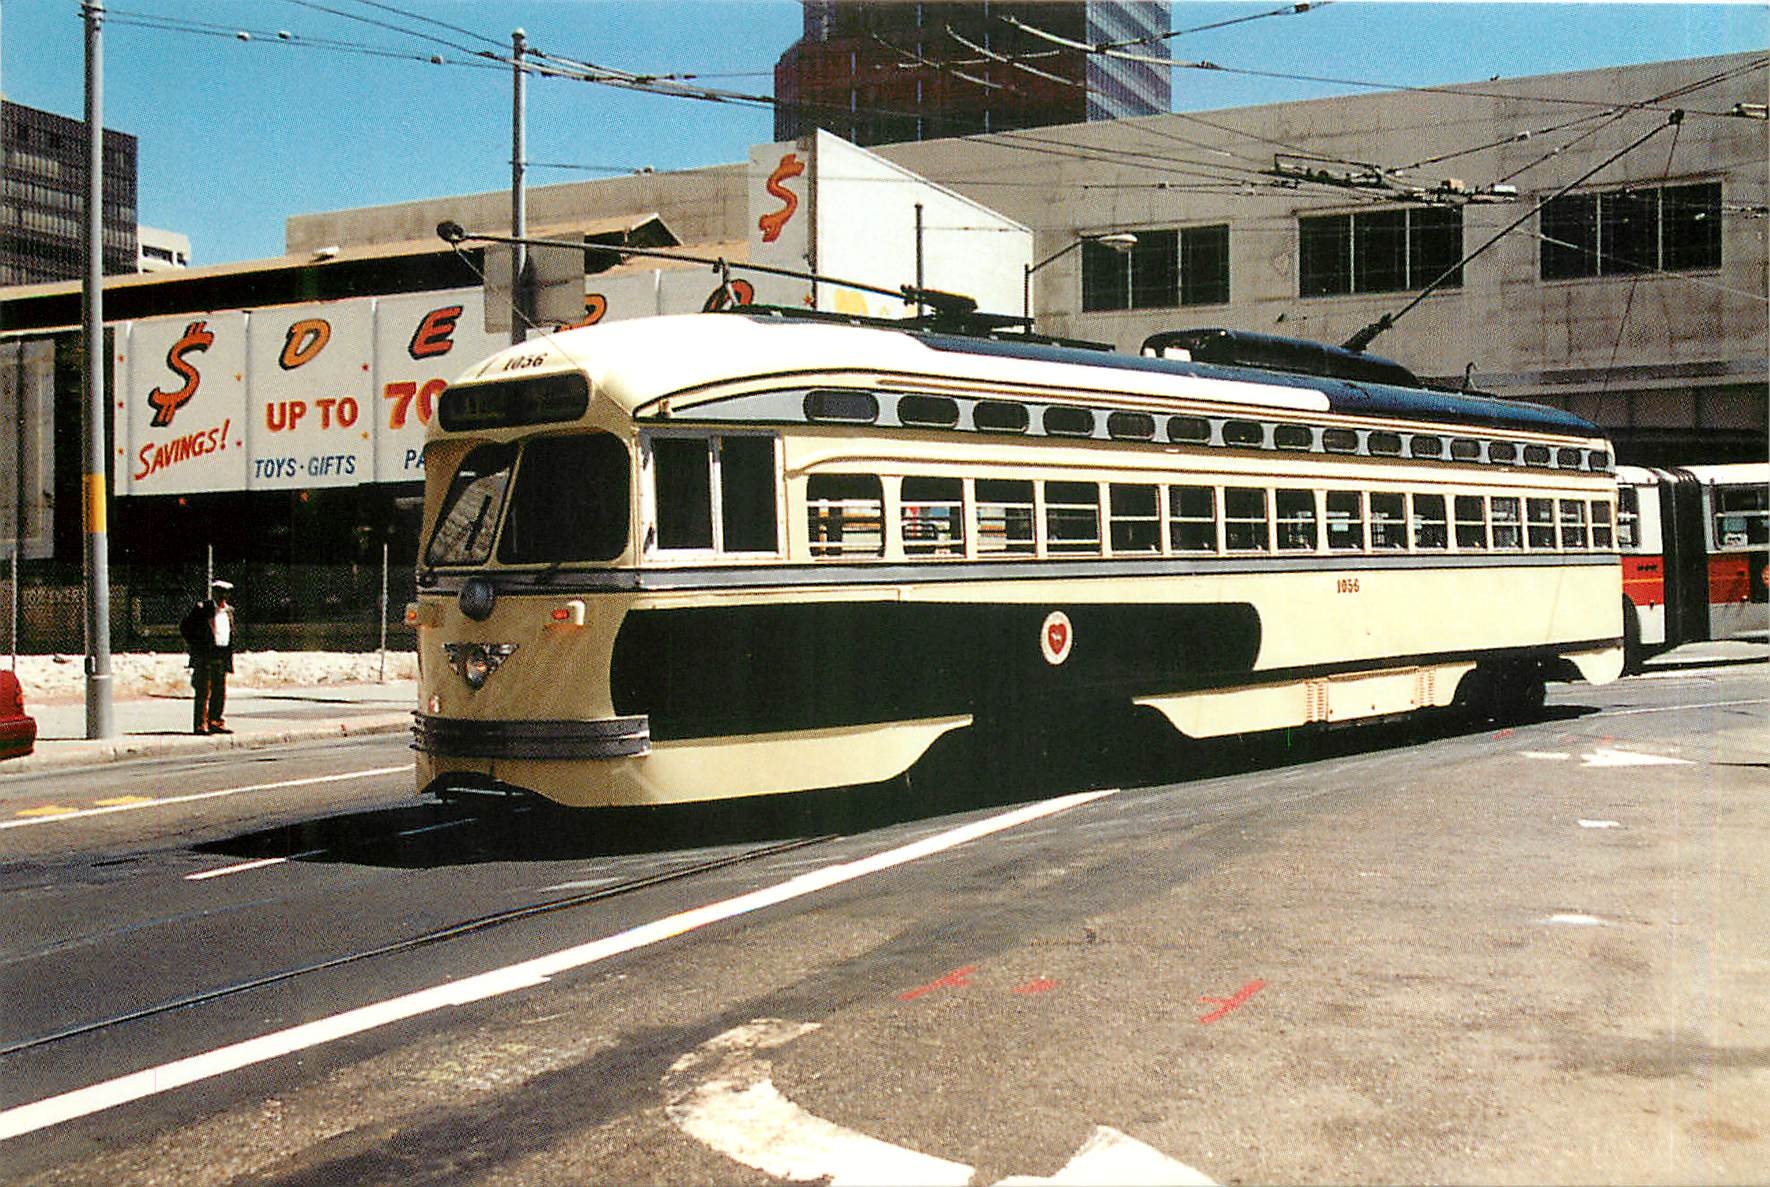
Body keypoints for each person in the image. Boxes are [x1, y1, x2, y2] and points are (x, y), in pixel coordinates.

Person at [180, 579, 237, 735]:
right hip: (205, 655)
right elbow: (186, 628)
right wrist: (197, 646)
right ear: (215, 593)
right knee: (204, 690)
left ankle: (216, 721)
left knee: (220, 690)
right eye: (220, 592)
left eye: (226, 593)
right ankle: (201, 724)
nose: (223, 596)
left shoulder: (229, 611)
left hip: (222, 653)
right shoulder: (202, 609)